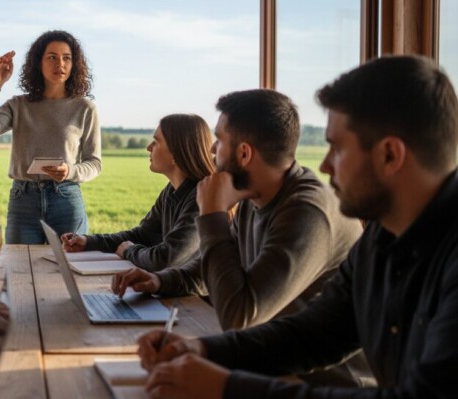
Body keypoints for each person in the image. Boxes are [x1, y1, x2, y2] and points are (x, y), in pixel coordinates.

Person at [137, 55, 458, 399]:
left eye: (336, 148)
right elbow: (315, 334)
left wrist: (227, 387)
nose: (325, 165)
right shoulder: (383, 235)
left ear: (389, 155)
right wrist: (204, 350)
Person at [112, 89, 361, 331]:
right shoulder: (253, 196)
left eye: (219, 140)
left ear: (244, 153)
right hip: (266, 348)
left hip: (304, 360)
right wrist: (158, 281)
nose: (212, 149)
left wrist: (213, 215)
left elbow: (240, 316)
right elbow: (207, 271)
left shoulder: (306, 213)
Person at [0, 30, 101, 244]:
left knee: (70, 261)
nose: (60, 64)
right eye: (52, 57)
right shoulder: (18, 105)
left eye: (66, 58)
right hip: (23, 200)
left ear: (74, 64)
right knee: (19, 262)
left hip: (66, 198)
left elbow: (94, 163)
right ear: (38, 63)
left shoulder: (85, 108)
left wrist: (70, 171)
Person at [61, 114, 215, 271]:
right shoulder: (171, 190)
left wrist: (130, 251)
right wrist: (88, 242)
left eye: (156, 142)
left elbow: (166, 259)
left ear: (177, 152)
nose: (148, 147)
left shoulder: (201, 199)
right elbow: (143, 236)